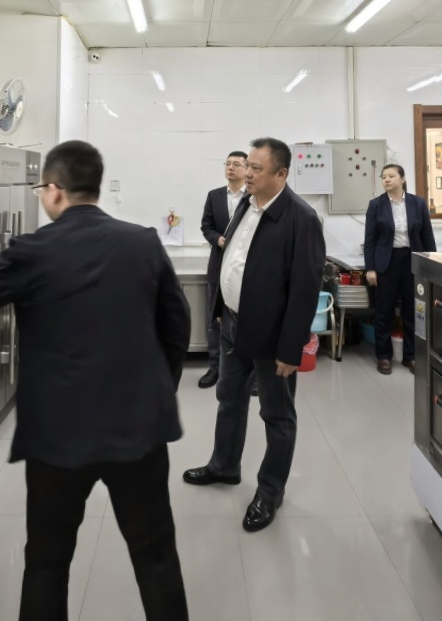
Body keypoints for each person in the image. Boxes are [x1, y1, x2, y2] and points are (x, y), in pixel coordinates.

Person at [0, 141, 191, 621]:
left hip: (57, 437)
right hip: (137, 429)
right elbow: (177, 324)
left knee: (46, 563)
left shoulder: (32, 250)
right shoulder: (141, 242)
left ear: (55, 190)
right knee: (156, 556)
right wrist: (157, 390)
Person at [183, 137, 326, 533]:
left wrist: (291, 348)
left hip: (271, 336)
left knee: (276, 416)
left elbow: (305, 290)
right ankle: (224, 466)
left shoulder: (301, 218)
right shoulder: (247, 203)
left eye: (256, 169)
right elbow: (231, 259)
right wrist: (219, 309)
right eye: (247, 166)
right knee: (229, 399)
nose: (247, 174)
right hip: (232, 326)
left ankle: (269, 492)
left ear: (281, 173)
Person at [364, 164, 437, 375]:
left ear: (402, 179)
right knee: (384, 311)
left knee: (413, 311)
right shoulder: (376, 205)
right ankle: (384, 356)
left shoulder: (417, 203)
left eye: (391, 176)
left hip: (413, 260)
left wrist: (431, 264)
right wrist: (371, 268)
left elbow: (427, 236)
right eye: (384, 177)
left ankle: (411, 356)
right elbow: (370, 240)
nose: (386, 180)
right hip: (387, 262)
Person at [198, 150, 248, 389]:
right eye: (228, 164)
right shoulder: (214, 196)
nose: (230, 167)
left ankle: (249, 371)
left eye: (236, 164)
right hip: (218, 266)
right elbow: (206, 226)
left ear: (247, 169)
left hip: (246, 268)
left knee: (247, 320)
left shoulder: (253, 196)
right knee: (214, 320)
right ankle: (215, 367)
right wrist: (217, 239)